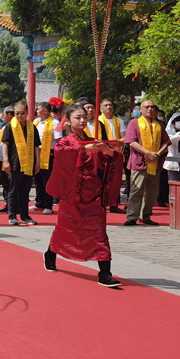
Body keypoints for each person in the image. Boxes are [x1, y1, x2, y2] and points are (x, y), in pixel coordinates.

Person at [44, 104, 123, 287]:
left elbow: (110, 160)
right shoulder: (65, 143)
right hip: (72, 194)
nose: (81, 120)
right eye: (77, 117)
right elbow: (61, 154)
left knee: (99, 233)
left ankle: (104, 274)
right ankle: (50, 252)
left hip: (93, 194)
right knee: (65, 230)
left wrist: (109, 151)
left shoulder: (94, 141)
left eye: (84, 117)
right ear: (68, 121)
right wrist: (85, 150)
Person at [123, 99, 170, 226]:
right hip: (139, 161)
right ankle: (132, 216)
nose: (150, 109)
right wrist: (148, 153)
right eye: (147, 107)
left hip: (155, 162)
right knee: (136, 190)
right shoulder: (134, 123)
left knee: (152, 192)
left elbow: (166, 142)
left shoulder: (159, 125)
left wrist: (157, 154)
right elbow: (131, 142)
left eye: (152, 107)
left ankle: (146, 216)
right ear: (141, 110)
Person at [1, 102, 41, 226]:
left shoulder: (32, 127)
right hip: (14, 163)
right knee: (13, 190)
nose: (19, 116)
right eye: (17, 113)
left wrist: (38, 162)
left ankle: (25, 215)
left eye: (22, 113)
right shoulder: (10, 126)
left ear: (27, 112)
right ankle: (12, 215)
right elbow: (5, 144)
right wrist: (6, 160)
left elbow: (36, 146)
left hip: (29, 164)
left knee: (25, 191)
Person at [98, 98, 127, 213]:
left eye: (110, 105)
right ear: (100, 107)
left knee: (116, 180)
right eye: (105, 105)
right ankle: (101, 203)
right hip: (102, 153)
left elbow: (124, 137)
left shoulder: (119, 121)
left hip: (116, 153)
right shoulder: (99, 120)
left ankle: (114, 203)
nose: (108, 107)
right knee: (102, 179)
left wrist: (119, 141)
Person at [31, 102, 57, 215]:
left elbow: (58, 140)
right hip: (37, 152)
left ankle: (48, 204)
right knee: (38, 178)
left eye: (38, 110)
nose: (36, 112)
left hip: (48, 153)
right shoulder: (36, 122)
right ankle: (39, 202)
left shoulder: (54, 123)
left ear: (45, 111)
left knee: (47, 179)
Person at [164, 112, 180, 183]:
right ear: (173, 123)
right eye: (178, 120)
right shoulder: (169, 133)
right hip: (175, 165)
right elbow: (170, 141)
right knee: (175, 186)